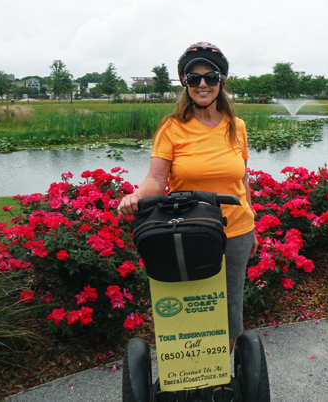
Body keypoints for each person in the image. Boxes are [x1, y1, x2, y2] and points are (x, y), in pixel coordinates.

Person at [117, 42, 257, 402]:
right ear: (185, 84)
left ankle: (217, 377)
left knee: (230, 311)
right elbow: (155, 178)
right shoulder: (172, 127)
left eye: (209, 76)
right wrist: (137, 196)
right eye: (193, 78)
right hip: (189, 231)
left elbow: (242, 180)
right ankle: (184, 374)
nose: (202, 84)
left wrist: (252, 218)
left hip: (236, 229)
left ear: (221, 80)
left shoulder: (236, 126)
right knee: (187, 306)